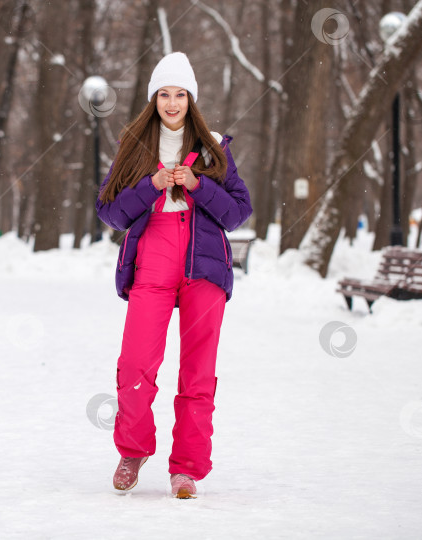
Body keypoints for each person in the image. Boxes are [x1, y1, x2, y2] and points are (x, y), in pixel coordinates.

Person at [96, 52, 252, 499]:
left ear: (191, 99)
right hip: (153, 259)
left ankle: (186, 468)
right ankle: (133, 449)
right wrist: (152, 186)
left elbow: (239, 212)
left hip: (204, 264)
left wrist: (200, 187)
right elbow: (109, 211)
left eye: (179, 94)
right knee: (135, 365)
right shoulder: (134, 146)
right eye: (164, 94)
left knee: (198, 373)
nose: (171, 102)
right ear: (153, 99)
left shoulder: (214, 147)